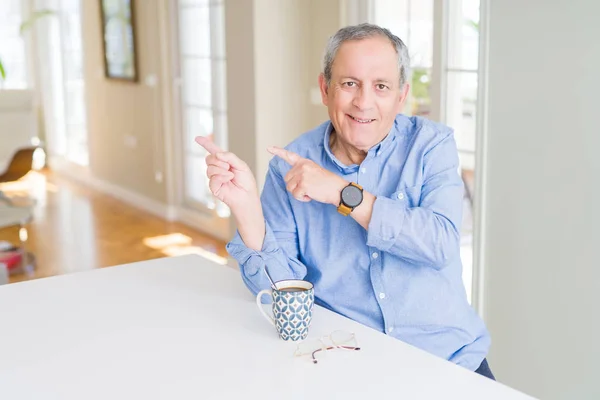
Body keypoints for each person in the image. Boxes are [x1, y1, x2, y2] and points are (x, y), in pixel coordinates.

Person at [195, 23, 494, 380]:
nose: (363, 102)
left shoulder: (431, 145)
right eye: (349, 83)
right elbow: (280, 295)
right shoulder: (289, 165)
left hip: (449, 363)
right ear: (325, 89)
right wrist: (246, 211)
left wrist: (342, 193)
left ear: (402, 95)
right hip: (349, 368)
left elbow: (441, 244)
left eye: (380, 86)